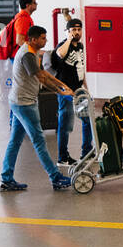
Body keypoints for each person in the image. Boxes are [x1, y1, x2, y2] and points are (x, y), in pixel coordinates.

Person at [1, 25, 72, 192]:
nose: (45, 40)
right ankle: (55, 177)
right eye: (42, 38)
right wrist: (61, 92)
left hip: (19, 101)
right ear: (32, 39)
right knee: (39, 140)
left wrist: (64, 87)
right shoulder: (27, 55)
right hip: (24, 104)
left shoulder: (32, 52)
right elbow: (42, 78)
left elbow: (45, 74)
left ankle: (7, 178)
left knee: (15, 141)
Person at [50, 17, 92, 165]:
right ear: (67, 31)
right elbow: (60, 54)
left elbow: (81, 68)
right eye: (73, 30)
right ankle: (63, 157)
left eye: (79, 29)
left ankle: (87, 152)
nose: (76, 32)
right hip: (66, 92)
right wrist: (68, 39)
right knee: (66, 124)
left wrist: (86, 88)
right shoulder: (63, 46)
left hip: (79, 90)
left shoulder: (80, 46)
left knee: (88, 120)